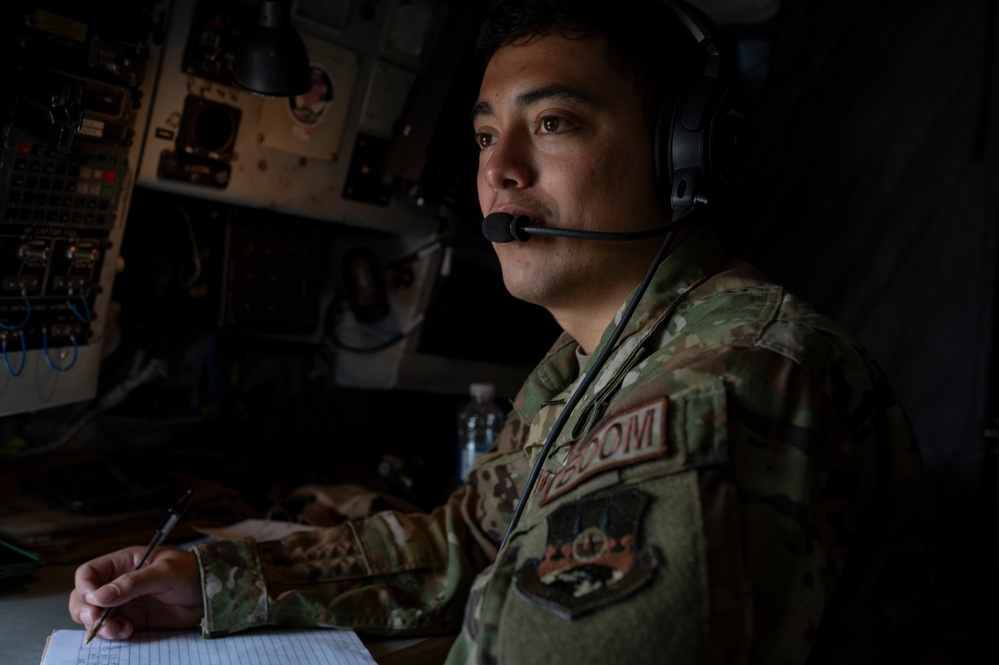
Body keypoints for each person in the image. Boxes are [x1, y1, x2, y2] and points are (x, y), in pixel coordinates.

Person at [69, 0, 939, 662]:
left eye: (551, 123)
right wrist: (213, 582)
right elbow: (467, 541)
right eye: (486, 133)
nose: (498, 169)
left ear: (686, 157)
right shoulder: (583, 363)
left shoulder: (722, 383)